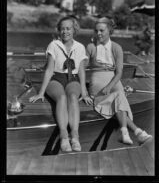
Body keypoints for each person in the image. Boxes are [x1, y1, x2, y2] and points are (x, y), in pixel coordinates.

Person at [84, 16, 152, 145]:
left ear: (109, 31)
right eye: (96, 30)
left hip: (114, 80)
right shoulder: (91, 47)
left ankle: (125, 133)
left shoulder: (116, 48)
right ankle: (137, 132)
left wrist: (110, 86)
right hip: (97, 80)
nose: (98, 33)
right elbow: (82, 66)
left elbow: (119, 72)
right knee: (120, 98)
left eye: (101, 31)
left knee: (119, 95)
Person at [29, 16, 92, 152]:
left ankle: (75, 136)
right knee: (61, 98)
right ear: (59, 30)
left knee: (73, 97)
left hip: (73, 78)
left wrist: (85, 92)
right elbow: (49, 69)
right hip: (56, 78)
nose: (65, 32)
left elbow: (81, 71)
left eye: (68, 28)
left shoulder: (80, 47)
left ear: (74, 30)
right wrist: (41, 92)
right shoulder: (54, 45)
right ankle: (64, 136)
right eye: (62, 29)